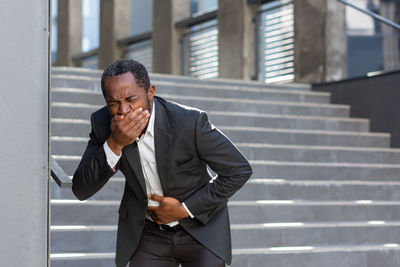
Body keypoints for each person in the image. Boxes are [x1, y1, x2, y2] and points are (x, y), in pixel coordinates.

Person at [72, 59, 253, 267]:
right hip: (149, 233)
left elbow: (239, 170)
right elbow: (81, 189)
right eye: (113, 103)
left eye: (131, 99)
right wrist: (114, 144)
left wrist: (184, 209)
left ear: (150, 92)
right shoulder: (103, 124)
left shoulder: (189, 122)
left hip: (200, 229)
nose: (124, 111)